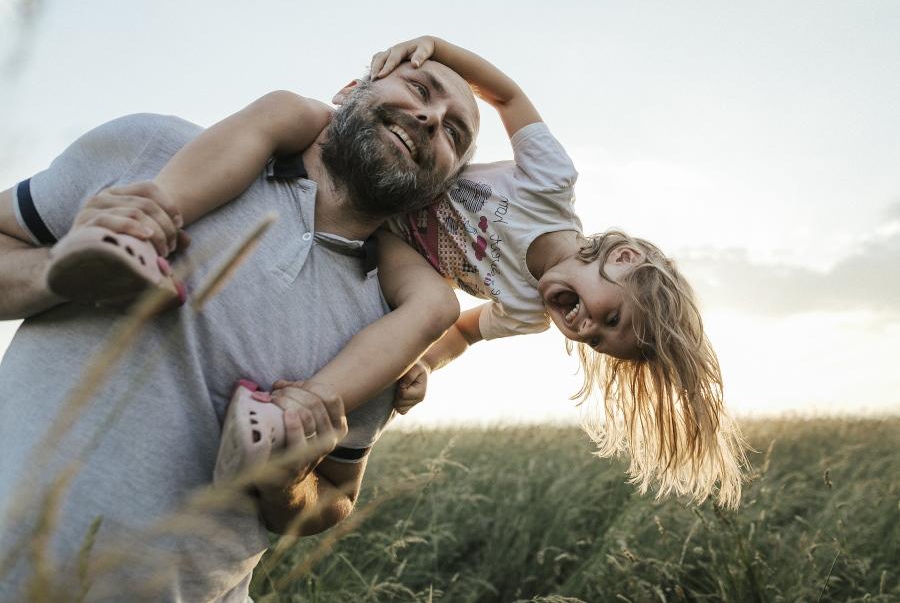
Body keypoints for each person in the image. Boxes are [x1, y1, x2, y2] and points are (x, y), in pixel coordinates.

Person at [48, 35, 747, 511]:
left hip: (394, 232)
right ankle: (143, 223)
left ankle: (289, 421)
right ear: (620, 259)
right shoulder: (550, 184)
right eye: (610, 317)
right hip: (389, 186)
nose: (583, 327)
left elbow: (465, 331)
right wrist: (435, 49)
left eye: (595, 340)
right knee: (290, 108)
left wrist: (421, 367)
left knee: (434, 309)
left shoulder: (530, 313)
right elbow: (504, 92)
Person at [0, 58, 480, 600]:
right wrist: (56, 269)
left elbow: (336, 496)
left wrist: (288, 482)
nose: (430, 118)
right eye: (419, 88)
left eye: (454, 133)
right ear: (350, 90)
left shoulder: (394, 327)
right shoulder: (153, 150)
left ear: (439, 186)